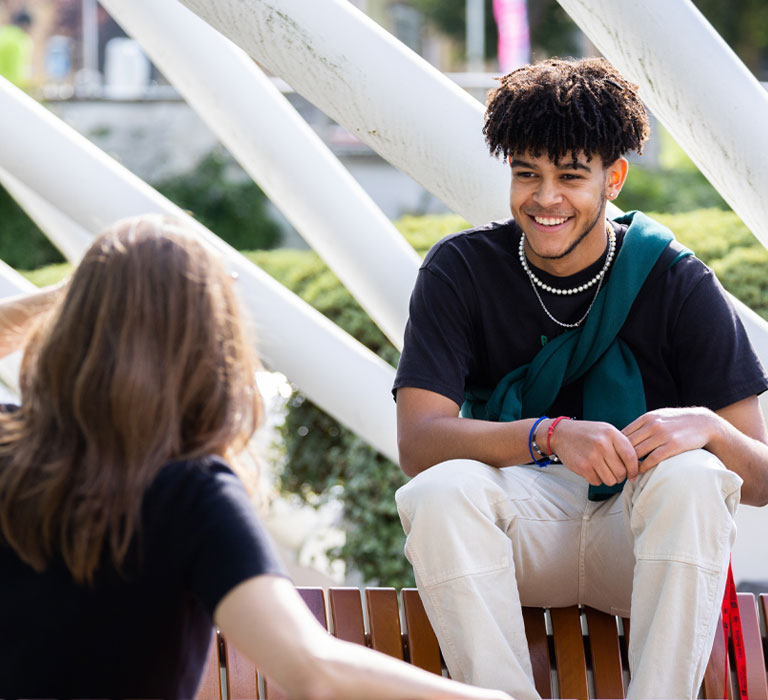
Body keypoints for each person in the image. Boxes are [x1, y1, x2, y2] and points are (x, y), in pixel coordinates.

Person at [0, 215, 511, 700]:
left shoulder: (9, 445)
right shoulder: (191, 493)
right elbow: (311, 668)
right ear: (209, 348)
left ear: (70, 327)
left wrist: (91, 293)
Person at [393, 57, 768, 700]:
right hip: (517, 542)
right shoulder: (460, 270)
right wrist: (549, 435)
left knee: (697, 476)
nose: (545, 198)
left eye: (570, 176)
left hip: (639, 545)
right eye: (526, 175)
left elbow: (758, 480)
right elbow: (419, 443)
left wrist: (707, 428)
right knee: (439, 493)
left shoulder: (675, 280)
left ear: (613, 178)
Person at [0, 10, 33, 89]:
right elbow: (17, 70)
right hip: (9, 87)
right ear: (26, 25)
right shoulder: (20, 39)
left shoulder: (3, 32)